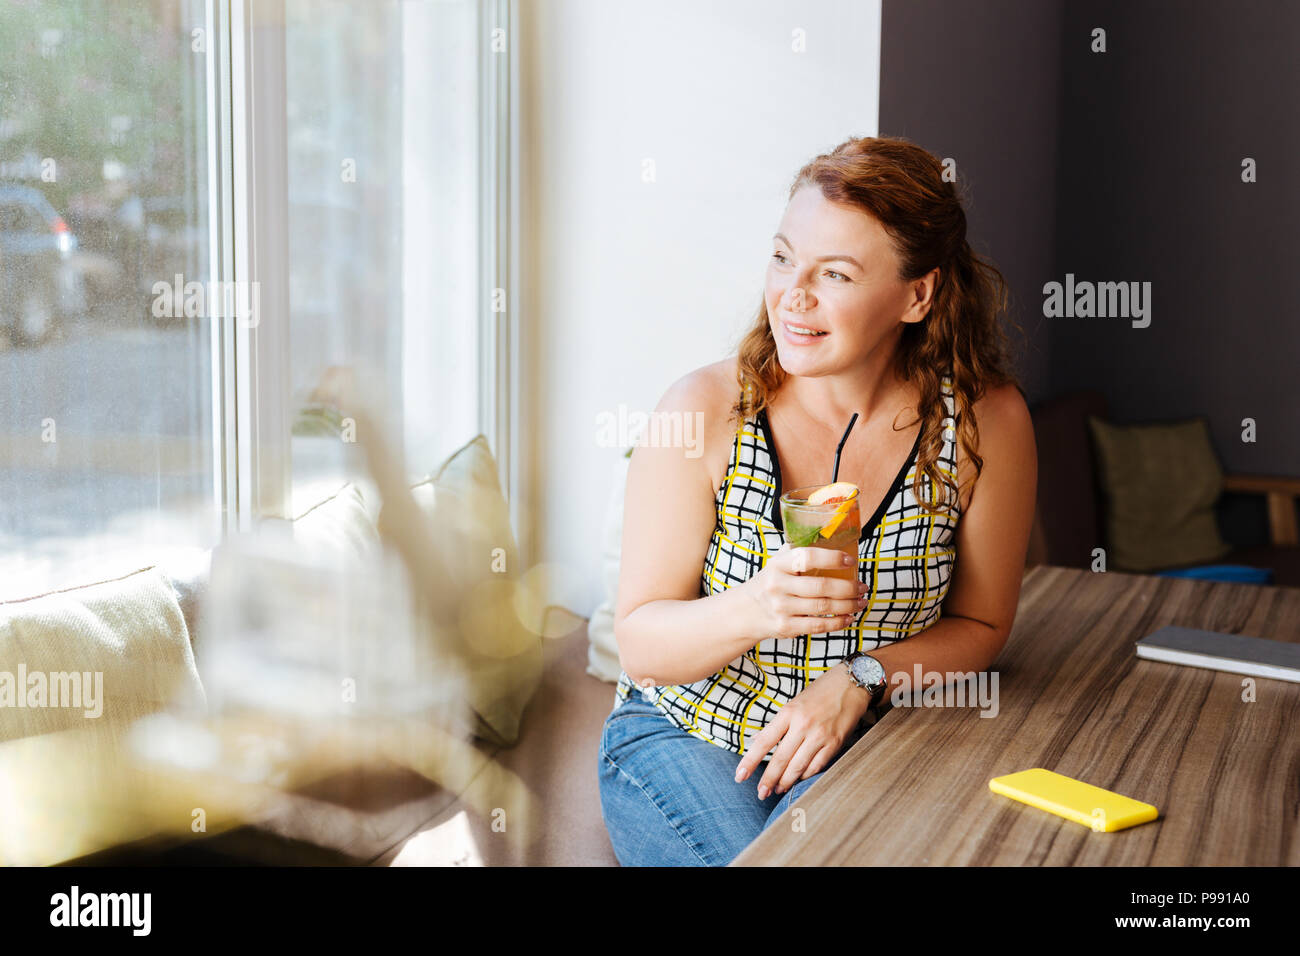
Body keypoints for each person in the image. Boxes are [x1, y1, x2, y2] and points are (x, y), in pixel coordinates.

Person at [597, 135, 1038, 866]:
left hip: (863, 734)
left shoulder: (985, 423)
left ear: (917, 295)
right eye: (782, 258)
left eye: (834, 273)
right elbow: (640, 641)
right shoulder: (703, 410)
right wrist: (757, 607)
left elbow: (983, 624)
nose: (792, 295)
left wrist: (861, 679)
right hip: (690, 734)